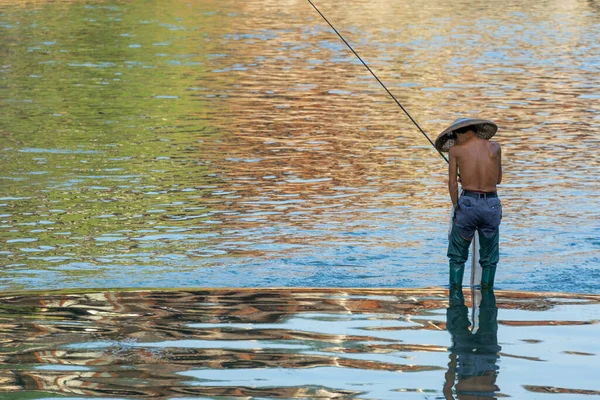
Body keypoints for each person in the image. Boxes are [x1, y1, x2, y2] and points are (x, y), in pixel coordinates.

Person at [434, 118, 502, 289]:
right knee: (489, 260)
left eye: (454, 137)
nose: (454, 141)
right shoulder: (495, 147)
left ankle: (455, 296)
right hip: (491, 203)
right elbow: (498, 179)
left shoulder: (456, 150)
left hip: (468, 203)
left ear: (459, 133)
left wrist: (457, 207)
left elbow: (452, 185)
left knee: (457, 257)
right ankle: (487, 297)